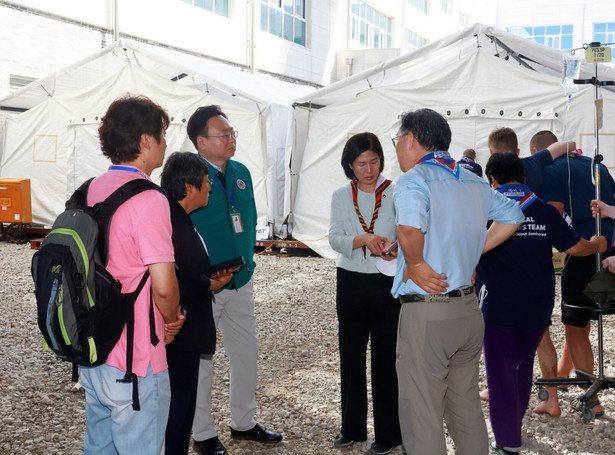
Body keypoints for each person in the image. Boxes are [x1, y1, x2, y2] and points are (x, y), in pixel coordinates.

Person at [391, 108, 524, 455]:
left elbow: (408, 227)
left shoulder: (415, 179)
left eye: (396, 140)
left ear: (411, 139)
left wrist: (417, 262)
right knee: (465, 405)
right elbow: (513, 214)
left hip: (428, 312)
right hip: (467, 311)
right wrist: (473, 250)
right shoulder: (472, 180)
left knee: (422, 413)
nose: (396, 148)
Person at [476, 152, 606, 455]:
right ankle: (512, 428)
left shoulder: (484, 208)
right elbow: (575, 246)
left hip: (496, 303)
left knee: (499, 372)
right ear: (523, 178)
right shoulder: (543, 209)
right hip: (537, 302)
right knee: (522, 366)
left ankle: (508, 440)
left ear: (492, 180)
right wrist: (598, 243)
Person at [78, 95, 183, 454]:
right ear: (144, 141)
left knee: (100, 446)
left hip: (94, 350)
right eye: (163, 134)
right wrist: (173, 321)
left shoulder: (90, 189)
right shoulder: (150, 199)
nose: (166, 144)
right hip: (136, 360)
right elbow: (165, 289)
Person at [187, 105, 282, 455]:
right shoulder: (189, 175)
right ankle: (203, 433)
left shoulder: (240, 171)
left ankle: (243, 422)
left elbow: (249, 215)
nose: (231, 140)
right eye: (223, 135)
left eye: (232, 134)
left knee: (247, 352)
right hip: (206, 287)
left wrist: (249, 263)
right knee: (203, 359)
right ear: (201, 141)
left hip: (241, 279)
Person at [329, 133, 402, 455]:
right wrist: (363, 239)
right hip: (351, 280)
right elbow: (334, 238)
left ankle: (388, 435)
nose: (369, 169)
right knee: (351, 356)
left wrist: (394, 246)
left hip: (387, 283)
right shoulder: (341, 196)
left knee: (386, 359)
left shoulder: (397, 192)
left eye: (373, 161)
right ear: (350, 165)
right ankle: (352, 428)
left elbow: (408, 233)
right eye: (361, 164)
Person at [161, 152, 233, 455]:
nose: (210, 187)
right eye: (206, 182)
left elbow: (186, 270)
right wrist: (212, 283)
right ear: (189, 187)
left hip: (183, 329)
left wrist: (207, 277)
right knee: (178, 408)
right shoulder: (173, 222)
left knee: (179, 406)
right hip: (180, 333)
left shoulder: (178, 218)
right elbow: (179, 278)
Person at [541, 142, 615, 417]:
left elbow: (554, 214)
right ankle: (561, 375)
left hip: (585, 250)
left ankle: (591, 397)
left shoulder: (552, 170)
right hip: (610, 248)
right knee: (580, 321)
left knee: (573, 322)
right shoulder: (598, 165)